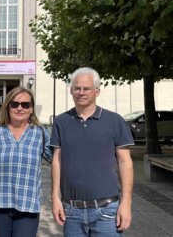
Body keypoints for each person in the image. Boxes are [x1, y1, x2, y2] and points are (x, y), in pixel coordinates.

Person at [51, 67, 134, 237]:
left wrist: (126, 203)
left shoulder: (114, 121)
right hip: (72, 212)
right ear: (71, 90)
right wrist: (55, 197)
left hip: (107, 212)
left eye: (86, 88)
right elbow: (57, 161)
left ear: (97, 91)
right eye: (77, 88)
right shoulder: (61, 122)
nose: (81, 92)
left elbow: (125, 162)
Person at [0, 86, 53, 237]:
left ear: (31, 109)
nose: (19, 108)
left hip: (28, 209)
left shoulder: (40, 134)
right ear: (8, 107)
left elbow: (57, 162)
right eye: (14, 104)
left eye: (25, 104)